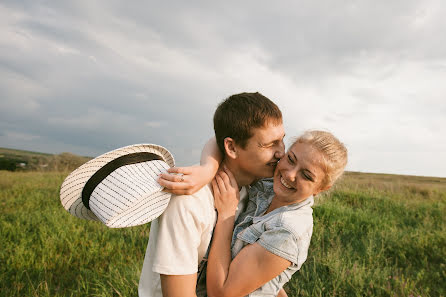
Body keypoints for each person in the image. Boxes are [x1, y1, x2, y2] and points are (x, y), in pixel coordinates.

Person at [138, 92, 285, 297]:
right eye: (269, 145)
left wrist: (209, 167)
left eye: (281, 141)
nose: (281, 153)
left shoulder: (256, 189)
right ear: (232, 148)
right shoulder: (187, 202)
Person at [205, 130, 348, 296]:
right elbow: (222, 139)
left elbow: (220, 294)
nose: (289, 174)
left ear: (321, 188)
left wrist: (226, 216)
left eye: (306, 175)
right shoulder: (269, 184)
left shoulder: (286, 232)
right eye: (291, 159)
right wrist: (206, 169)